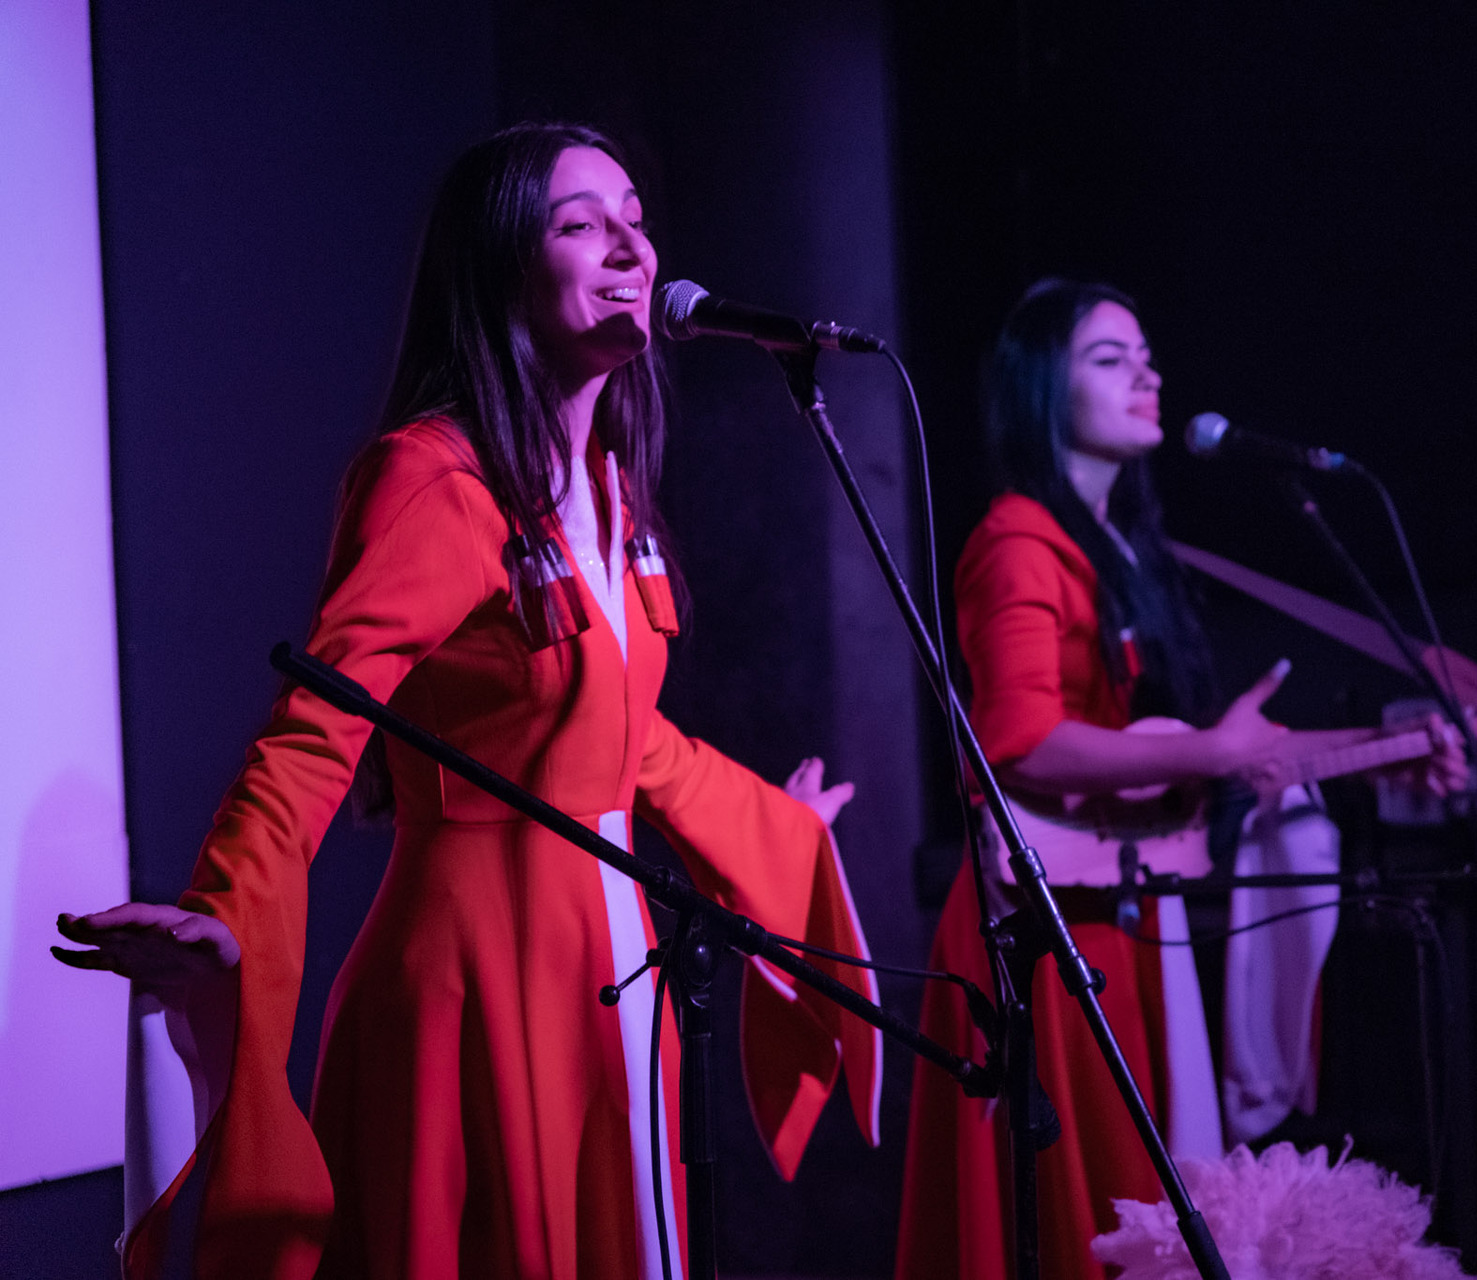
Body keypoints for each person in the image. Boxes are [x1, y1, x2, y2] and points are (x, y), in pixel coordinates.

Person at [52, 123, 879, 1280]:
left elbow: (626, 741)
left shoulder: (610, 490)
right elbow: (315, 730)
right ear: (500, 267)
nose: (630, 246)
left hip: (612, 971)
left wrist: (776, 829)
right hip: (475, 983)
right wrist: (227, 906)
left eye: (635, 219)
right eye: (581, 224)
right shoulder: (434, 479)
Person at [893, 278, 1470, 1280]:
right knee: (1082, 1212)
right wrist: (1211, 752)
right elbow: (1021, 743)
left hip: (1120, 910)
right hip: (1047, 926)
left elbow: (1219, 747)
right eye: (1110, 358)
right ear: (1041, 387)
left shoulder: (1119, 549)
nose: (1147, 374)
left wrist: (1397, 745)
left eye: (1147, 355)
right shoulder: (1020, 542)